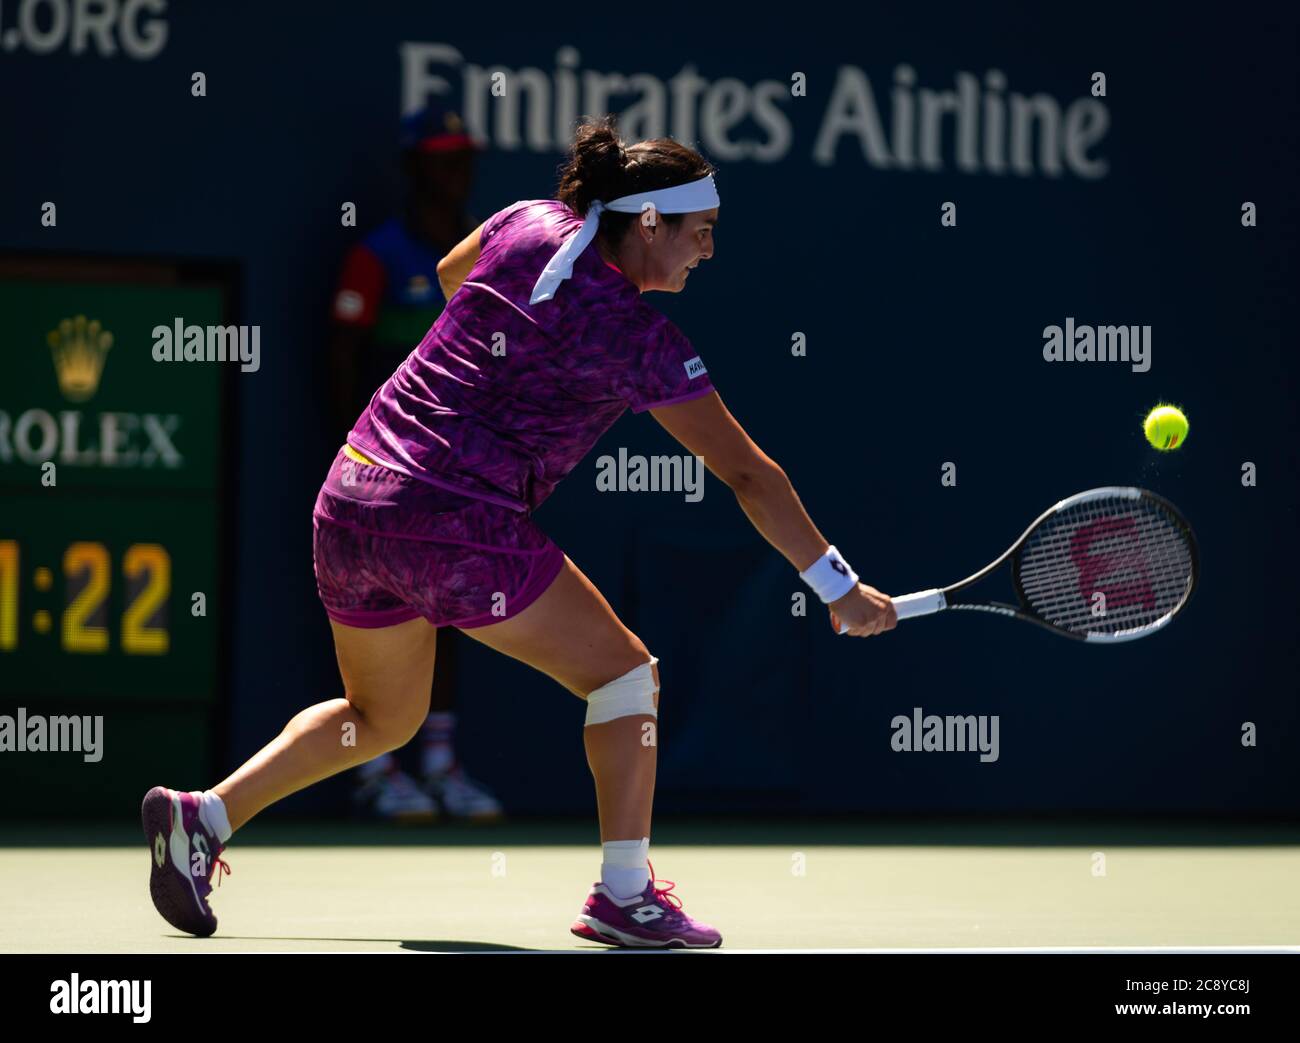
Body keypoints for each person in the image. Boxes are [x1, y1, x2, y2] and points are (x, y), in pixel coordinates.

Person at [142, 115, 897, 950]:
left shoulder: (524, 222)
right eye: (701, 232)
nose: (707, 251)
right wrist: (839, 587)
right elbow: (749, 473)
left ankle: (202, 815)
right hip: (452, 520)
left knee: (382, 717)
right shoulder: (641, 340)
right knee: (624, 678)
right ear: (649, 222)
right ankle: (625, 894)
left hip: (352, 497)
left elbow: (451, 272)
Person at [328, 102, 502, 822]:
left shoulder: (487, 253)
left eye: (464, 156)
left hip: (458, 479)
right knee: (375, 627)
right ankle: (374, 768)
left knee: (452, 615)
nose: (457, 170)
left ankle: (439, 764)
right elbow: (340, 363)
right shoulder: (375, 258)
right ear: (414, 167)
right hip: (376, 482)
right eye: (442, 157)